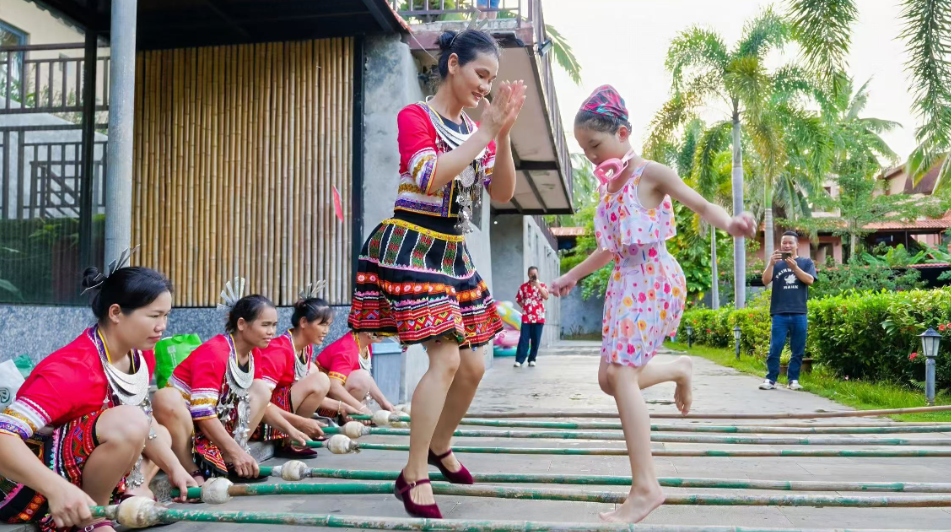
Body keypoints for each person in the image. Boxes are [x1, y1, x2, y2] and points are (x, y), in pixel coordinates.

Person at [551, 85, 755, 524]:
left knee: (622, 376)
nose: (590, 155)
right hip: (624, 282)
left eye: (595, 145)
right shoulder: (609, 189)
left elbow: (701, 204)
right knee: (609, 379)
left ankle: (646, 487)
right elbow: (609, 249)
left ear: (623, 133)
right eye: (584, 149)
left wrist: (731, 223)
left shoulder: (651, 173)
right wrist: (571, 276)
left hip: (653, 278)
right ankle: (679, 369)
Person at [347, 28, 525, 518]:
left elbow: (502, 193)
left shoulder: (475, 131)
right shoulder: (415, 116)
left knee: (473, 366)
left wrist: (502, 133)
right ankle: (413, 474)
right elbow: (428, 176)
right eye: (480, 74)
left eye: (491, 79)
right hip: (412, 245)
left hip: (452, 254)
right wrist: (486, 132)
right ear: (452, 64)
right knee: (446, 360)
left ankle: (438, 446)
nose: (486, 86)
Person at [0, 261, 198, 531]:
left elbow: (144, 418)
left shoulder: (140, 355)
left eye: (166, 315)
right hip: (29, 487)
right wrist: (57, 489)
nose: (162, 326)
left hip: (85, 468)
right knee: (129, 422)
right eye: (154, 316)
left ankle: (131, 493)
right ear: (116, 313)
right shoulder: (71, 369)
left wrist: (175, 468)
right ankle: (92, 519)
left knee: (156, 430)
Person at [153, 288, 310, 482]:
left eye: (274, 325)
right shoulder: (215, 352)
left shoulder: (254, 353)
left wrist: (292, 427)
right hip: (188, 426)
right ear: (242, 324)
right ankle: (192, 470)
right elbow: (203, 414)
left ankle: (231, 460)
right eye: (265, 325)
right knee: (165, 397)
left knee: (261, 389)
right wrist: (238, 452)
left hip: (216, 422)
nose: (272, 332)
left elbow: (264, 405)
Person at [256, 292, 335, 458]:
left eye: (328, 325)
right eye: (322, 324)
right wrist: (301, 422)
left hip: (278, 410)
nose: (326, 331)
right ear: (304, 322)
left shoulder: (306, 347)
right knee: (320, 379)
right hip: (261, 418)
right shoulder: (279, 350)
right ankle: (288, 439)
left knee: (315, 372)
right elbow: (260, 400)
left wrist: (344, 408)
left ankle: (295, 435)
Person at [759, 231, 817, 391]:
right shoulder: (776, 263)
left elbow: (810, 280)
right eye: (784, 242)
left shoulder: (806, 262)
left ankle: (793, 380)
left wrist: (795, 268)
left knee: (798, 349)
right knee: (775, 348)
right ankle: (770, 379)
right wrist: (771, 264)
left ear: (797, 245)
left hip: (799, 312)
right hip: (779, 313)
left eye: (790, 242)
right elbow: (765, 280)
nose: (787, 245)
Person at [315, 332, 395, 415]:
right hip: (323, 404)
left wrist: (383, 402)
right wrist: (361, 408)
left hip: (336, 397)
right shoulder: (347, 348)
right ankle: (342, 415)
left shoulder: (365, 346)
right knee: (362, 378)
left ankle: (351, 413)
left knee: (363, 378)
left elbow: (367, 378)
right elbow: (334, 387)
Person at [513, 266, 548, 367]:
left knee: (536, 339)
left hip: (538, 317)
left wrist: (538, 286)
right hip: (527, 317)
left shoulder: (542, 285)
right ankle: (519, 360)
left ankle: (532, 359)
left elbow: (546, 296)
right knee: (524, 338)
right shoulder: (523, 287)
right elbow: (518, 299)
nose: (533, 276)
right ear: (528, 275)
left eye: (535, 274)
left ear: (538, 274)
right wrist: (524, 307)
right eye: (531, 274)